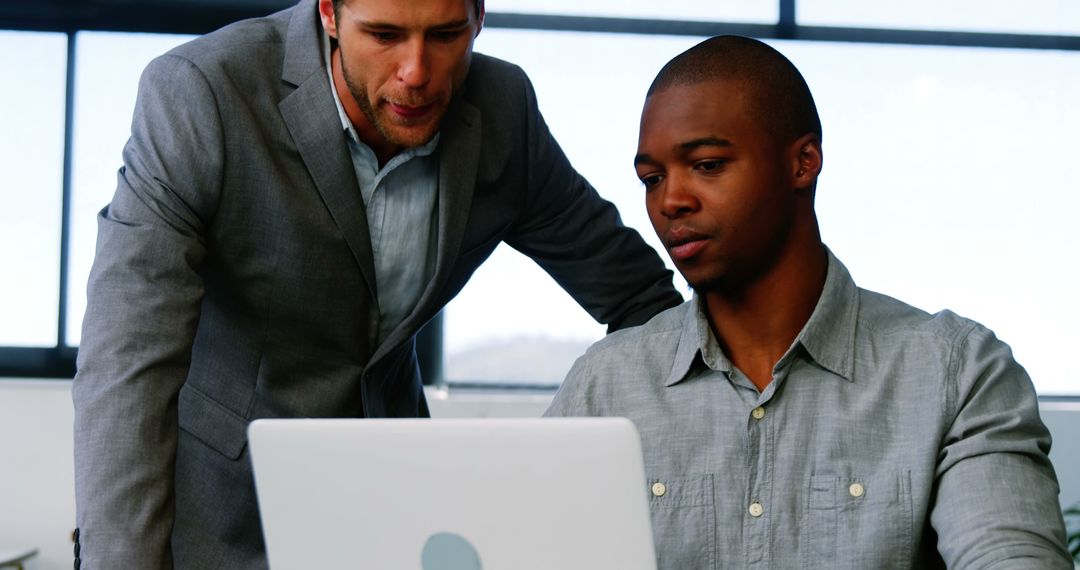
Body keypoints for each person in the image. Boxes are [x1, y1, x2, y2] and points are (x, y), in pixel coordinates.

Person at [71, 0, 682, 567]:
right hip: (221, 511)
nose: (416, 72)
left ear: (479, 17)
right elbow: (129, 359)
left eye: (445, 35)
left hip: (400, 516)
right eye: (385, 35)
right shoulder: (204, 92)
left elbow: (639, 300)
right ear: (330, 13)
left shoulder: (502, 110)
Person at [546, 35, 1072, 569]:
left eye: (706, 164)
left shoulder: (955, 373)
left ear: (803, 162)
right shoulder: (604, 388)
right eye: (652, 179)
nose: (669, 201)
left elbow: (1011, 556)